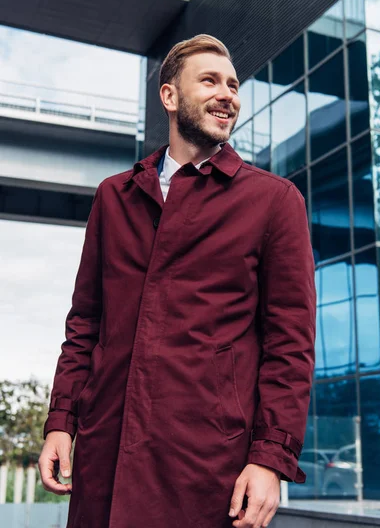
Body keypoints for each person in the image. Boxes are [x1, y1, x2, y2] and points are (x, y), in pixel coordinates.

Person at [39, 34, 316, 528]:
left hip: (206, 466)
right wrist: (61, 421)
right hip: (106, 456)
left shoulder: (274, 201)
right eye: (209, 80)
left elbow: (289, 345)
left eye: (233, 84)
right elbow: (85, 323)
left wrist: (270, 457)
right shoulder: (115, 197)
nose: (227, 93)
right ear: (170, 97)